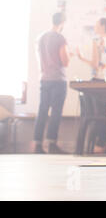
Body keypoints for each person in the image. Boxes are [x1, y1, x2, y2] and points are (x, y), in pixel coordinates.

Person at [77, 17, 106, 153]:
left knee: (94, 113)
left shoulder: (97, 40)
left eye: (96, 24)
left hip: (97, 80)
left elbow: (95, 64)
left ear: (102, 26)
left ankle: (100, 143)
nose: (94, 27)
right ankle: (102, 142)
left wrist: (81, 58)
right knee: (101, 112)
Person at [34, 12, 71, 154]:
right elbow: (65, 61)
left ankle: (37, 144)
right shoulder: (60, 38)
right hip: (57, 80)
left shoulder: (41, 37)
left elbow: (41, 59)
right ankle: (51, 143)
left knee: (42, 110)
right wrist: (70, 55)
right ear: (62, 23)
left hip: (44, 78)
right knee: (56, 111)